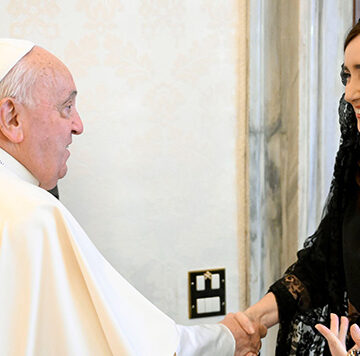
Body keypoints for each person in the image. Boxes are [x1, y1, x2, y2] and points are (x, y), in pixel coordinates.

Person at [0, 39, 267, 355]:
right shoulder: (32, 214)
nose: (78, 125)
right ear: (12, 118)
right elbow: (141, 347)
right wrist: (228, 340)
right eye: (66, 108)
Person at [231, 19, 360, 356]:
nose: (350, 93)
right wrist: (249, 321)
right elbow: (321, 267)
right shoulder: (356, 172)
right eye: (347, 75)